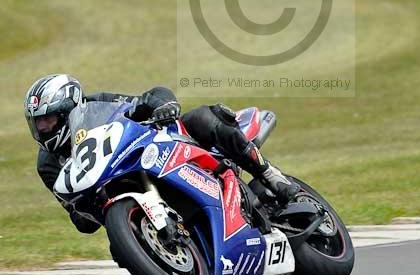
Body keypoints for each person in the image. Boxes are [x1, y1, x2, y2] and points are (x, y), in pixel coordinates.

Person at [24, 74, 298, 235]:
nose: (43, 128)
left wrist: (164, 105)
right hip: (119, 187)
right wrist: (85, 211)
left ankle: (268, 174)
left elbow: (146, 98)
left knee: (202, 117)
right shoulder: (47, 164)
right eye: (37, 123)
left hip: (157, 149)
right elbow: (79, 218)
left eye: (48, 120)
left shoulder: (96, 104)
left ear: (69, 110)